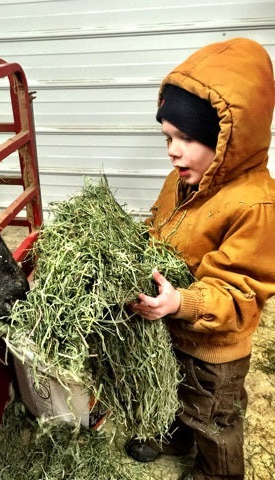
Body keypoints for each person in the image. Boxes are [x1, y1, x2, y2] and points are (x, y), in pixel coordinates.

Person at [125, 37, 275, 480]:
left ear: (228, 140)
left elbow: (238, 291)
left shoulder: (256, 205)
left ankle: (217, 474)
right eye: (168, 136)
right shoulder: (182, 181)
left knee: (214, 418)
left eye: (187, 138)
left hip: (216, 351)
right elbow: (160, 229)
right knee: (176, 393)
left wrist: (181, 303)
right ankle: (176, 436)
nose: (173, 150)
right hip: (172, 327)